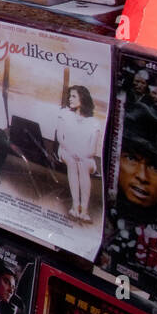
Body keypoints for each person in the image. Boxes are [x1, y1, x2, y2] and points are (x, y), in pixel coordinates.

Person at [55, 85, 102, 222]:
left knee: (82, 164)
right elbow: (60, 138)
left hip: (86, 156)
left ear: (83, 98)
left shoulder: (94, 122)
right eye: (69, 96)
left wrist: (81, 154)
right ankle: (76, 207)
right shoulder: (64, 113)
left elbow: (92, 150)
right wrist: (72, 151)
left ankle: (84, 210)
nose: (70, 99)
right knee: (72, 161)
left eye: (74, 96)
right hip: (66, 150)